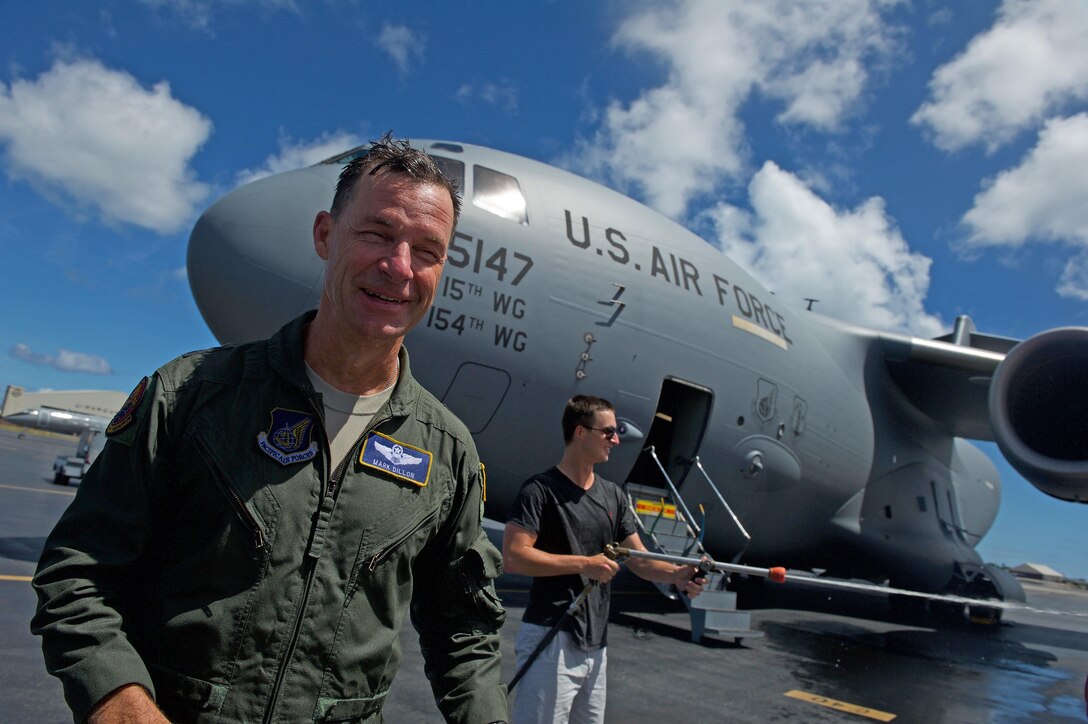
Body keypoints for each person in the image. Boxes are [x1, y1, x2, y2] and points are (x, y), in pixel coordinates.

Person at [32, 133, 508, 724]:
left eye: (427, 250)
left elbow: (465, 637)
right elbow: (78, 574)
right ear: (324, 235)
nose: (399, 267)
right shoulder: (193, 396)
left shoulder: (446, 452)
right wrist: (120, 702)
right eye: (377, 234)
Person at [502, 395, 706, 724]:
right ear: (581, 433)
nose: (616, 439)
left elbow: (638, 559)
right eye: (608, 432)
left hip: (596, 645)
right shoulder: (540, 491)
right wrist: (584, 564)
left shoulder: (613, 495)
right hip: (551, 636)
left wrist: (679, 574)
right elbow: (514, 557)